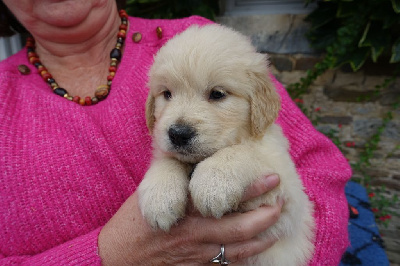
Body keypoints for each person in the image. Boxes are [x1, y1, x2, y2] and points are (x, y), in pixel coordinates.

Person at [0, 0, 352, 265]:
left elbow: (317, 173)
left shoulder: (203, 42)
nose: (179, 124)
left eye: (216, 95)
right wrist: (110, 255)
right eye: (165, 95)